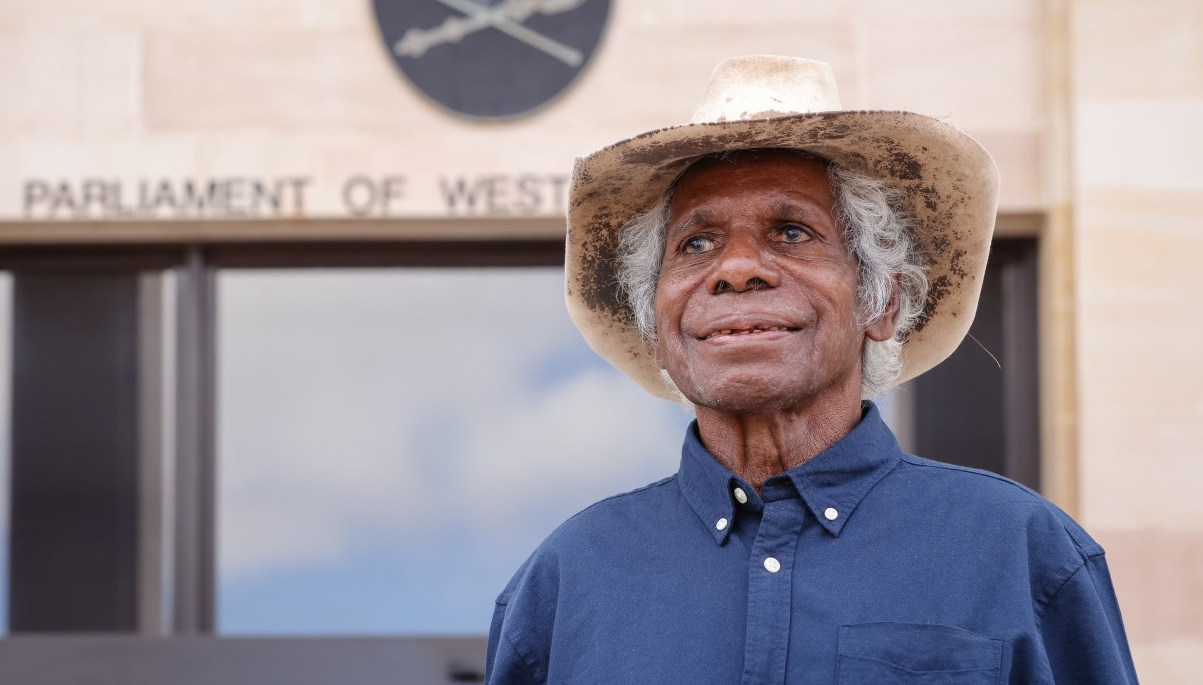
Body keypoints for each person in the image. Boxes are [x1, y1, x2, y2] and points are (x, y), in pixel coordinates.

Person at [485, 55, 1138, 684]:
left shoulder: (1017, 551)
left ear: (880, 302)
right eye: (696, 243)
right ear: (658, 328)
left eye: (792, 232)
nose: (736, 268)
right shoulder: (568, 578)